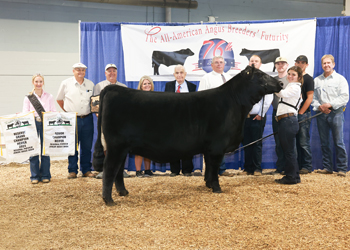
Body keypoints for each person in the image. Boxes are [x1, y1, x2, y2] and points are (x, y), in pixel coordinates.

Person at [56, 63, 96, 179]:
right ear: (73, 71)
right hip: (72, 119)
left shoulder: (90, 84)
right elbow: (59, 100)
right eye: (78, 70)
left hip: (87, 118)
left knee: (87, 146)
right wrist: (67, 112)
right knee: (72, 146)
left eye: (83, 70)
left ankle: (86, 170)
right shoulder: (66, 83)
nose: (80, 72)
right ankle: (72, 170)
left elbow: (94, 101)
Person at [312, 54, 349, 177]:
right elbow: (313, 98)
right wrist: (320, 107)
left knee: (338, 142)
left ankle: (342, 168)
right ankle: (327, 167)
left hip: (336, 113)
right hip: (321, 114)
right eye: (324, 63)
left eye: (329, 63)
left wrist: (329, 105)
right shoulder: (316, 80)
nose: (326, 65)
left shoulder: (340, 79)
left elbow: (344, 97)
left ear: (333, 64)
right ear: (322, 65)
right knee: (324, 142)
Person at [92, 63, 130, 179]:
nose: (112, 73)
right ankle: (107, 170)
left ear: (117, 73)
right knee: (106, 144)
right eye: (109, 71)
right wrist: (100, 115)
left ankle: (120, 169)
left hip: (120, 122)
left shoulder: (123, 87)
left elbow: (127, 105)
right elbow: (95, 103)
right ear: (105, 73)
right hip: (106, 120)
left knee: (121, 144)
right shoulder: (99, 86)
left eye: (114, 71)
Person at [198, 56, 234, 177]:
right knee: (212, 143)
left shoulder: (229, 78)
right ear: (212, 65)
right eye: (216, 63)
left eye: (221, 62)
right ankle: (212, 169)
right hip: (212, 115)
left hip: (227, 115)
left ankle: (221, 169)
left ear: (224, 64)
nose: (219, 64)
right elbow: (201, 97)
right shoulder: (206, 78)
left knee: (223, 142)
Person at [240, 55, 273, 176]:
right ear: (249, 64)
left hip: (257, 116)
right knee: (246, 143)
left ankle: (257, 168)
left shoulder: (264, 78)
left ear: (260, 64)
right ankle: (247, 168)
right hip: (245, 116)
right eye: (251, 61)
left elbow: (269, 97)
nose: (253, 63)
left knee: (257, 143)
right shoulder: (244, 79)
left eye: (256, 61)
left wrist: (261, 113)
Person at [23, 73, 57, 184]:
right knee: (33, 149)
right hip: (33, 124)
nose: (38, 84)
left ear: (43, 83)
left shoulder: (49, 96)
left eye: (40, 81)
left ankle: (46, 175)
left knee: (45, 149)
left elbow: (53, 110)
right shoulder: (28, 97)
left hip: (45, 123)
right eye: (36, 81)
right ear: (33, 82)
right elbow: (25, 112)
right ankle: (34, 176)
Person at [164, 65, 196, 177]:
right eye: (177, 73)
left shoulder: (192, 87)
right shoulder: (168, 86)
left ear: (185, 74)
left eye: (181, 72)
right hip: (173, 122)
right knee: (173, 145)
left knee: (188, 145)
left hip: (188, 122)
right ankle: (175, 170)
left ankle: (187, 170)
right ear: (174, 75)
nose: (179, 75)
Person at [274, 66, 303, 184]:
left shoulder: (295, 87)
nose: (290, 76)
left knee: (289, 151)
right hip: (287, 121)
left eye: (293, 75)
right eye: (289, 74)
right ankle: (295, 176)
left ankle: (290, 177)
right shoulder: (291, 86)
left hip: (288, 120)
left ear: (299, 77)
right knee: (289, 150)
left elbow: (282, 94)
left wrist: (272, 86)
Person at [294, 55, 314, 174]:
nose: (300, 64)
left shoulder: (308, 79)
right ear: (295, 63)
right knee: (295, 142)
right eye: (298, 62)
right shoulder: (294, 78)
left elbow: (309, 98)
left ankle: (307, 166)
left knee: (303, 141)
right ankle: (297, 165)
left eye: (303, 62)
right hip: (293, 114)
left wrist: (301, 112)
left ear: (306, 65)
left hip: (303, 114)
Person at [271, 57, 289, 175]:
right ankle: (280, 167)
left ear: (287, 65)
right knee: (278, 141)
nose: (280, 65)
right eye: (278, 63)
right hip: (276, 112)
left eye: (282, 63)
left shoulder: (291, 79)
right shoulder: (272, 80)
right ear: (275, 66)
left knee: (288, 142)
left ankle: (289, 168)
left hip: (288, 114)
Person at [134, 75, 155, 178]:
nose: (147, 85)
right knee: (139, 149)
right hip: (139, 126)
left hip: (151, 125)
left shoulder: (155, 97)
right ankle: (138, 171)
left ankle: (147, 170)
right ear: (141, 86)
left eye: (149, 83)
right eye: (145, 84)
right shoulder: (137, 97)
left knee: (149, 148)